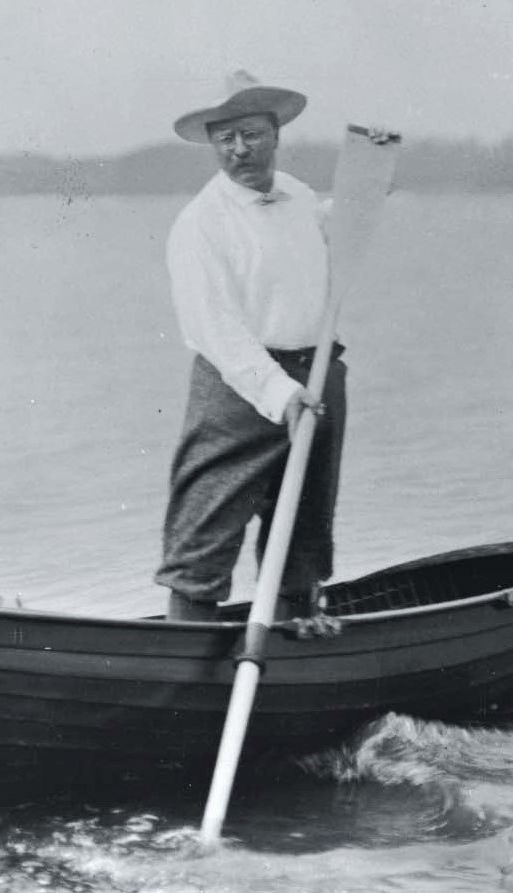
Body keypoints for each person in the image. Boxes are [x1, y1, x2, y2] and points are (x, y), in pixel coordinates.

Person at [155, 70, 347, 621]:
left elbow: (328, 262)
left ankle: (294, 638)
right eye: (226, 138)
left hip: (317, 377)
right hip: (240, 382)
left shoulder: (304, 199)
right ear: (214, 144)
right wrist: (277, 392)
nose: (240, 149)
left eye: (252, 135)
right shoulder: (200, 224)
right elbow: (215, 328)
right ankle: (185, 663)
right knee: (206, 527)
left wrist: (361, 202)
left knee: (305, 527)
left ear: (275, 134)